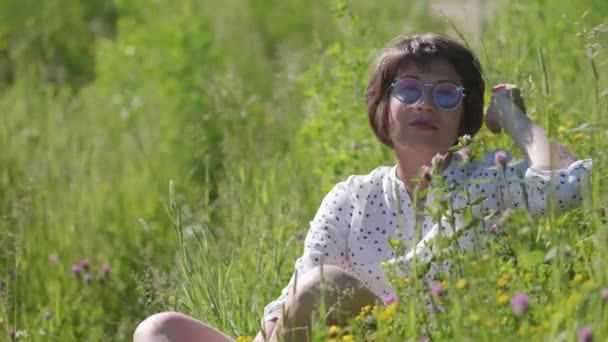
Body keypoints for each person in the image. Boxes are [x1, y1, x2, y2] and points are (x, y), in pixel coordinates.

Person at [133, 33, 593, 342]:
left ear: (463, 116)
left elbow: (573, 186)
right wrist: (275, 323)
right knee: (159, 329)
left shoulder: (486, 183)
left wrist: (512, 117)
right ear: (382, 107)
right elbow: (292, 295)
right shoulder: (351, 197)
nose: (426, 104)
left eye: (447, 94)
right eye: (409, 89)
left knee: (324, 285)